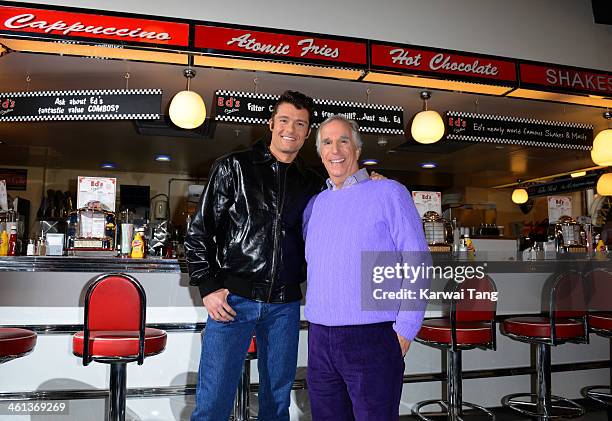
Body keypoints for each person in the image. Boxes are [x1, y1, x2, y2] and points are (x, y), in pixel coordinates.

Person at [185, 90, 322, 421]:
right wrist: (207, 286)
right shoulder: (234, 167)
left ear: (307, 132)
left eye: (300, 123)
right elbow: (199, 231)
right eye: (285, 120)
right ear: (271, 123)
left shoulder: (312, 183)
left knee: (277, 403)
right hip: (234, 300)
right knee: (214, 400)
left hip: (285, 305)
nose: (291, 128)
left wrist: (369, 180)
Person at [303, 115, 430, 421]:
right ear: (320, 152)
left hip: (372, 337)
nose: (336, 149)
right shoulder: (315, 205)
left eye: (343, 140)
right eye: (327, 142)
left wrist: (406, 327)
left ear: (357, 149)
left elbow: (417, 258)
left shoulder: (389, 192)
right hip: (320, 338)